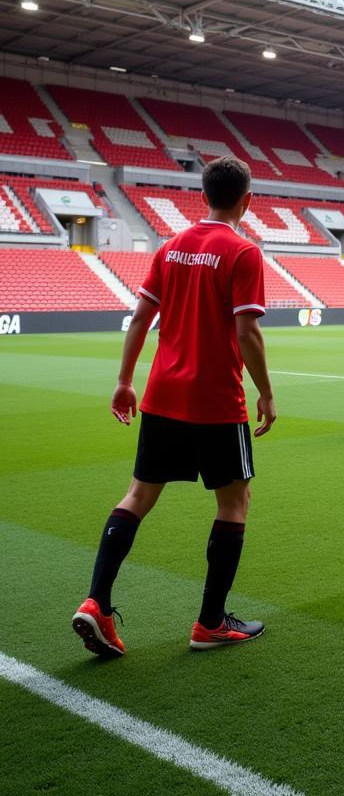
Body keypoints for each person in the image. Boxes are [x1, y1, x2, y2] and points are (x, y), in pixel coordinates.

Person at [72, 156, 276, 657]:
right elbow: (247, 331)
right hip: (215, 401)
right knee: (234, 503)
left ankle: (96, 601)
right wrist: (266, 391)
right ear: (247, 200)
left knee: (138, 495)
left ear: (203, 196)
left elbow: (140, 319)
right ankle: (210, 622)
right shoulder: (243, 251)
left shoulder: (172, 246)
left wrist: (124, 382)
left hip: (163, 394)